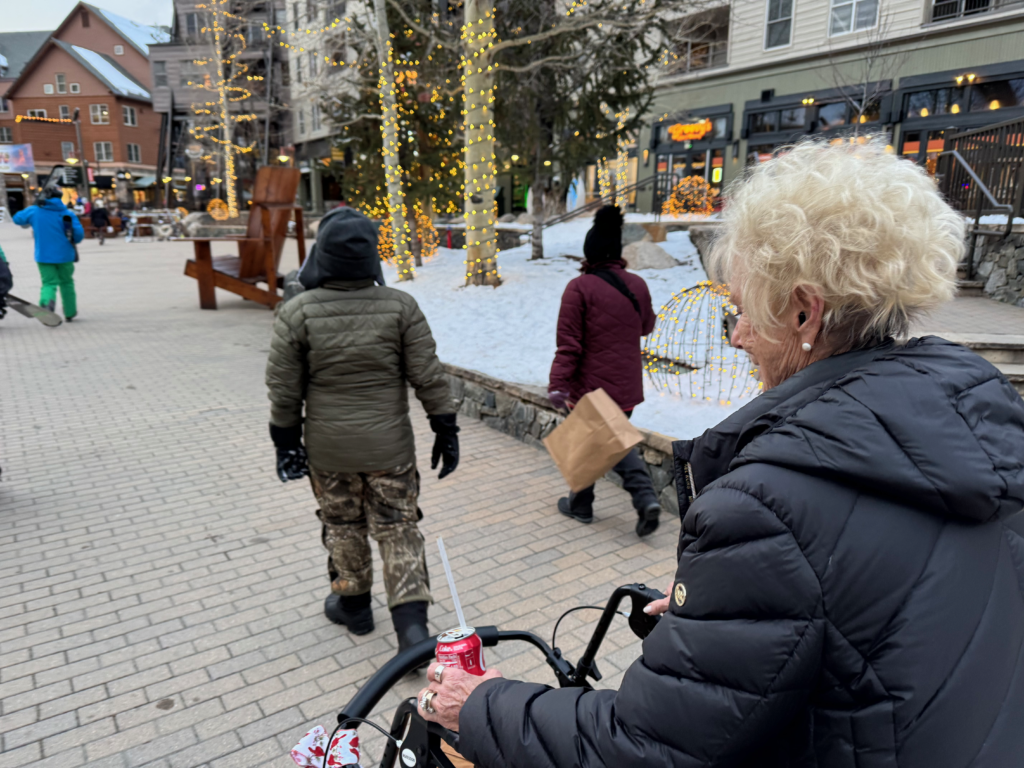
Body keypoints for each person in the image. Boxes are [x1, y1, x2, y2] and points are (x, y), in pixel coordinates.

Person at [416, 140, 1024, 767]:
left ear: (804, 312)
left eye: (742, 310)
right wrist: (732, 609)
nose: (735, 337)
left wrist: (481, 705)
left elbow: (644, 749)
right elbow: (874, 621)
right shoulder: (977, 427)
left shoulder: (770, 507)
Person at [265, 207, 460, 653]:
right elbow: (428, 376)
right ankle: (413, 633)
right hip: (390, 449)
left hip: (328, 450)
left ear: (322, 255)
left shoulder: (297, 312)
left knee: (342, 524)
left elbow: (283, 390)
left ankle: (354, 608)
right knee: (398, 526)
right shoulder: (400, 307)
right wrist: (445, 428)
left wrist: (285, 444)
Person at [548, 205, 661, 536]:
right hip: (626, 386)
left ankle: (645, 497)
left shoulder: (579, 288)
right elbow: (646, 326)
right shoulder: (637, 284)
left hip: (590, 386)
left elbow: (569, 345)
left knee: (612, 443)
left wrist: (558, 384)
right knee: (594, 441)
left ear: (590, 251)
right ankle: (580, 504)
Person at [12, 186, 83, 322]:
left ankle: (46, 303)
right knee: (67, 282)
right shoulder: (67, 213)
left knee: (49, 283)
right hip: (65, 255)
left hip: (44, 255)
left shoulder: (35, 211)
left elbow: (17, 219)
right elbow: (78, 235)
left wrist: (33, 205)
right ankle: (70, 312)